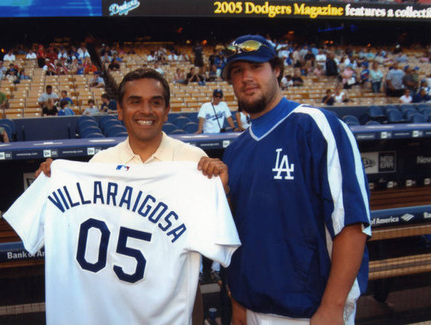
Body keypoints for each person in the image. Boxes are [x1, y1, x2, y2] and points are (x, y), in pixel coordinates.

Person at [34, 68, 236, 325]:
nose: (146, 110)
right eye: (135, 101)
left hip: (176, 301)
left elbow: (219, 231)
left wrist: (223, 190)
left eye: (156, 102)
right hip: (112, 302)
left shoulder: (194, 161)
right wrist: (52, 182)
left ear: (167, 110)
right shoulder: (100, 165)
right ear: (119, 110)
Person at [221, 34, 370, 325]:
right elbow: (236, 236)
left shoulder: (317, 126)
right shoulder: (236, 151)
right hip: (251, 308)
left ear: (277, 70)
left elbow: (351, 223)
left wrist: (332, 307)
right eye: (237, 71)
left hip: (311, 312)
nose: (246, 78)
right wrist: (237, 299)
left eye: (256, 67)